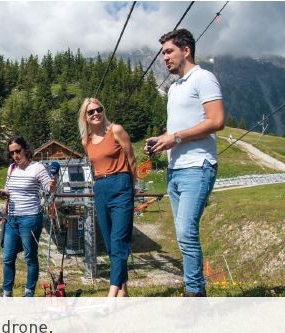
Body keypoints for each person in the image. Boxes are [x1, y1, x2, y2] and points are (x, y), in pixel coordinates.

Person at [145, 29, 225, 297]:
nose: (164, 58)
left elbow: (216, 121)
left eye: (168, 51)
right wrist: (162, 141)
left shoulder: (203, 78)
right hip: (176, 169)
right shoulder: (175, 87)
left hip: (198, 166)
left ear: (186, 50)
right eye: (163, 53)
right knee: (182, 234)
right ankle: (194, 291)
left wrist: (176, 137)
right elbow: (178, 131)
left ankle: (195, 295)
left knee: (186, 232)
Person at [79, 98, 136, 297]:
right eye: (90, 112)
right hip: (100, 188)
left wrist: (131, 187)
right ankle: (123, 292)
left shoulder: (116, 130)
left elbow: (131, 160)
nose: (95, 113)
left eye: (98, 109)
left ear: (103, 111)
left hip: (121, 183)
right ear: (85, 118)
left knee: (120, 239)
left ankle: (111, 295)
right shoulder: (85, 142)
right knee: (111, 242)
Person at [0, 136, 56, 297]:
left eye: (18, 151)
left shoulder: (37, 168)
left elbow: (48, 187)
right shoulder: (11, 168)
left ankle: (29, 293)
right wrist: (4, 194)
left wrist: (53, 183)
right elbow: (8, 189)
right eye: (12, 153)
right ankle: (6, 293)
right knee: (8, 257)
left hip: (30, 218)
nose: (15, 155)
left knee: (30, 257)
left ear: (26, 150)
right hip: (11, 218)